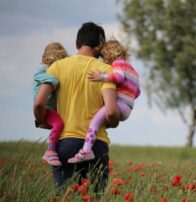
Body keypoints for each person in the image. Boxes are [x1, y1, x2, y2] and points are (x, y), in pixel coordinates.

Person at [33, 22, 121, 192]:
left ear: (76, 44)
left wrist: (42, 121)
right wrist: (115, 120)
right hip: (96, 145)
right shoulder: (105, 70)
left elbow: (38, 103)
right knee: (94, 197)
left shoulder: (56, 67)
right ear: (100, 46)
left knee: (66, 196)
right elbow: (110, 112)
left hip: (64, 143)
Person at [68, 40, 141, 163]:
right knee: (101, 120)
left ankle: (86, 151)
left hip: (119, 105)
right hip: (128, 108)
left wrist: (101, 76)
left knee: (94, 122)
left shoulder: (118, 63)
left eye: (104, 57)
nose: (104, 61)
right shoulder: (134, 71)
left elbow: (118, 77)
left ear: (109, 54)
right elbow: (137, 92)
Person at [33, 42, 68, 166]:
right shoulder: (43, 69)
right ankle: (50, 150)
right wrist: (54, 80)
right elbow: (37, 77)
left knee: (59, 124)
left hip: (52, 107)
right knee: (58, 123)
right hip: (46, 108)